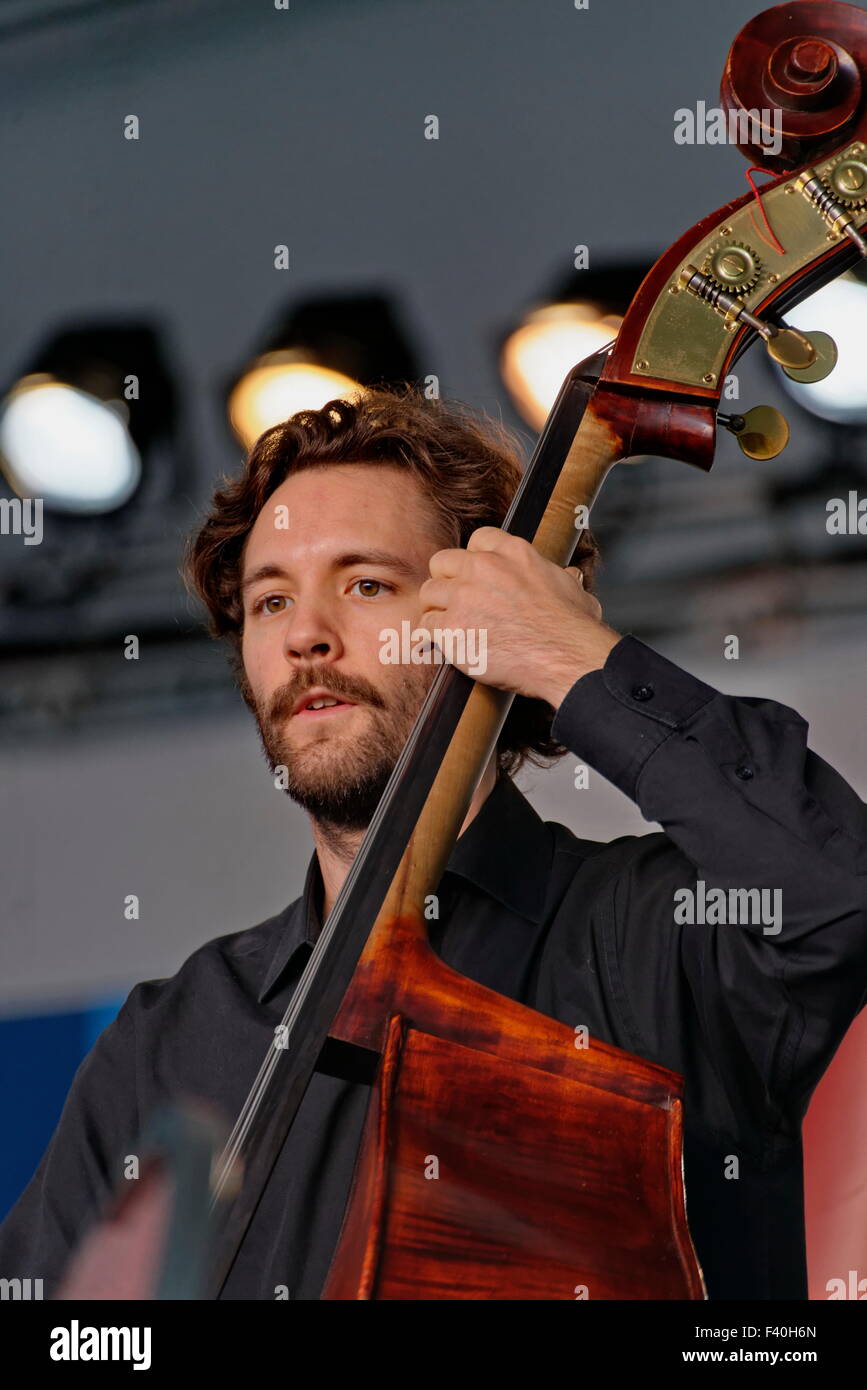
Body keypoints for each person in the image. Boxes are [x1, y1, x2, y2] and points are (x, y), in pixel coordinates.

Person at [1, 386, 865, 1300]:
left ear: (481, 621)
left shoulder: (653, 937)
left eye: (366, 584)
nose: (305, 636)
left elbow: (835, 892)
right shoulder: (167, 1044)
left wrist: (572, 656)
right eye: (268, 602)